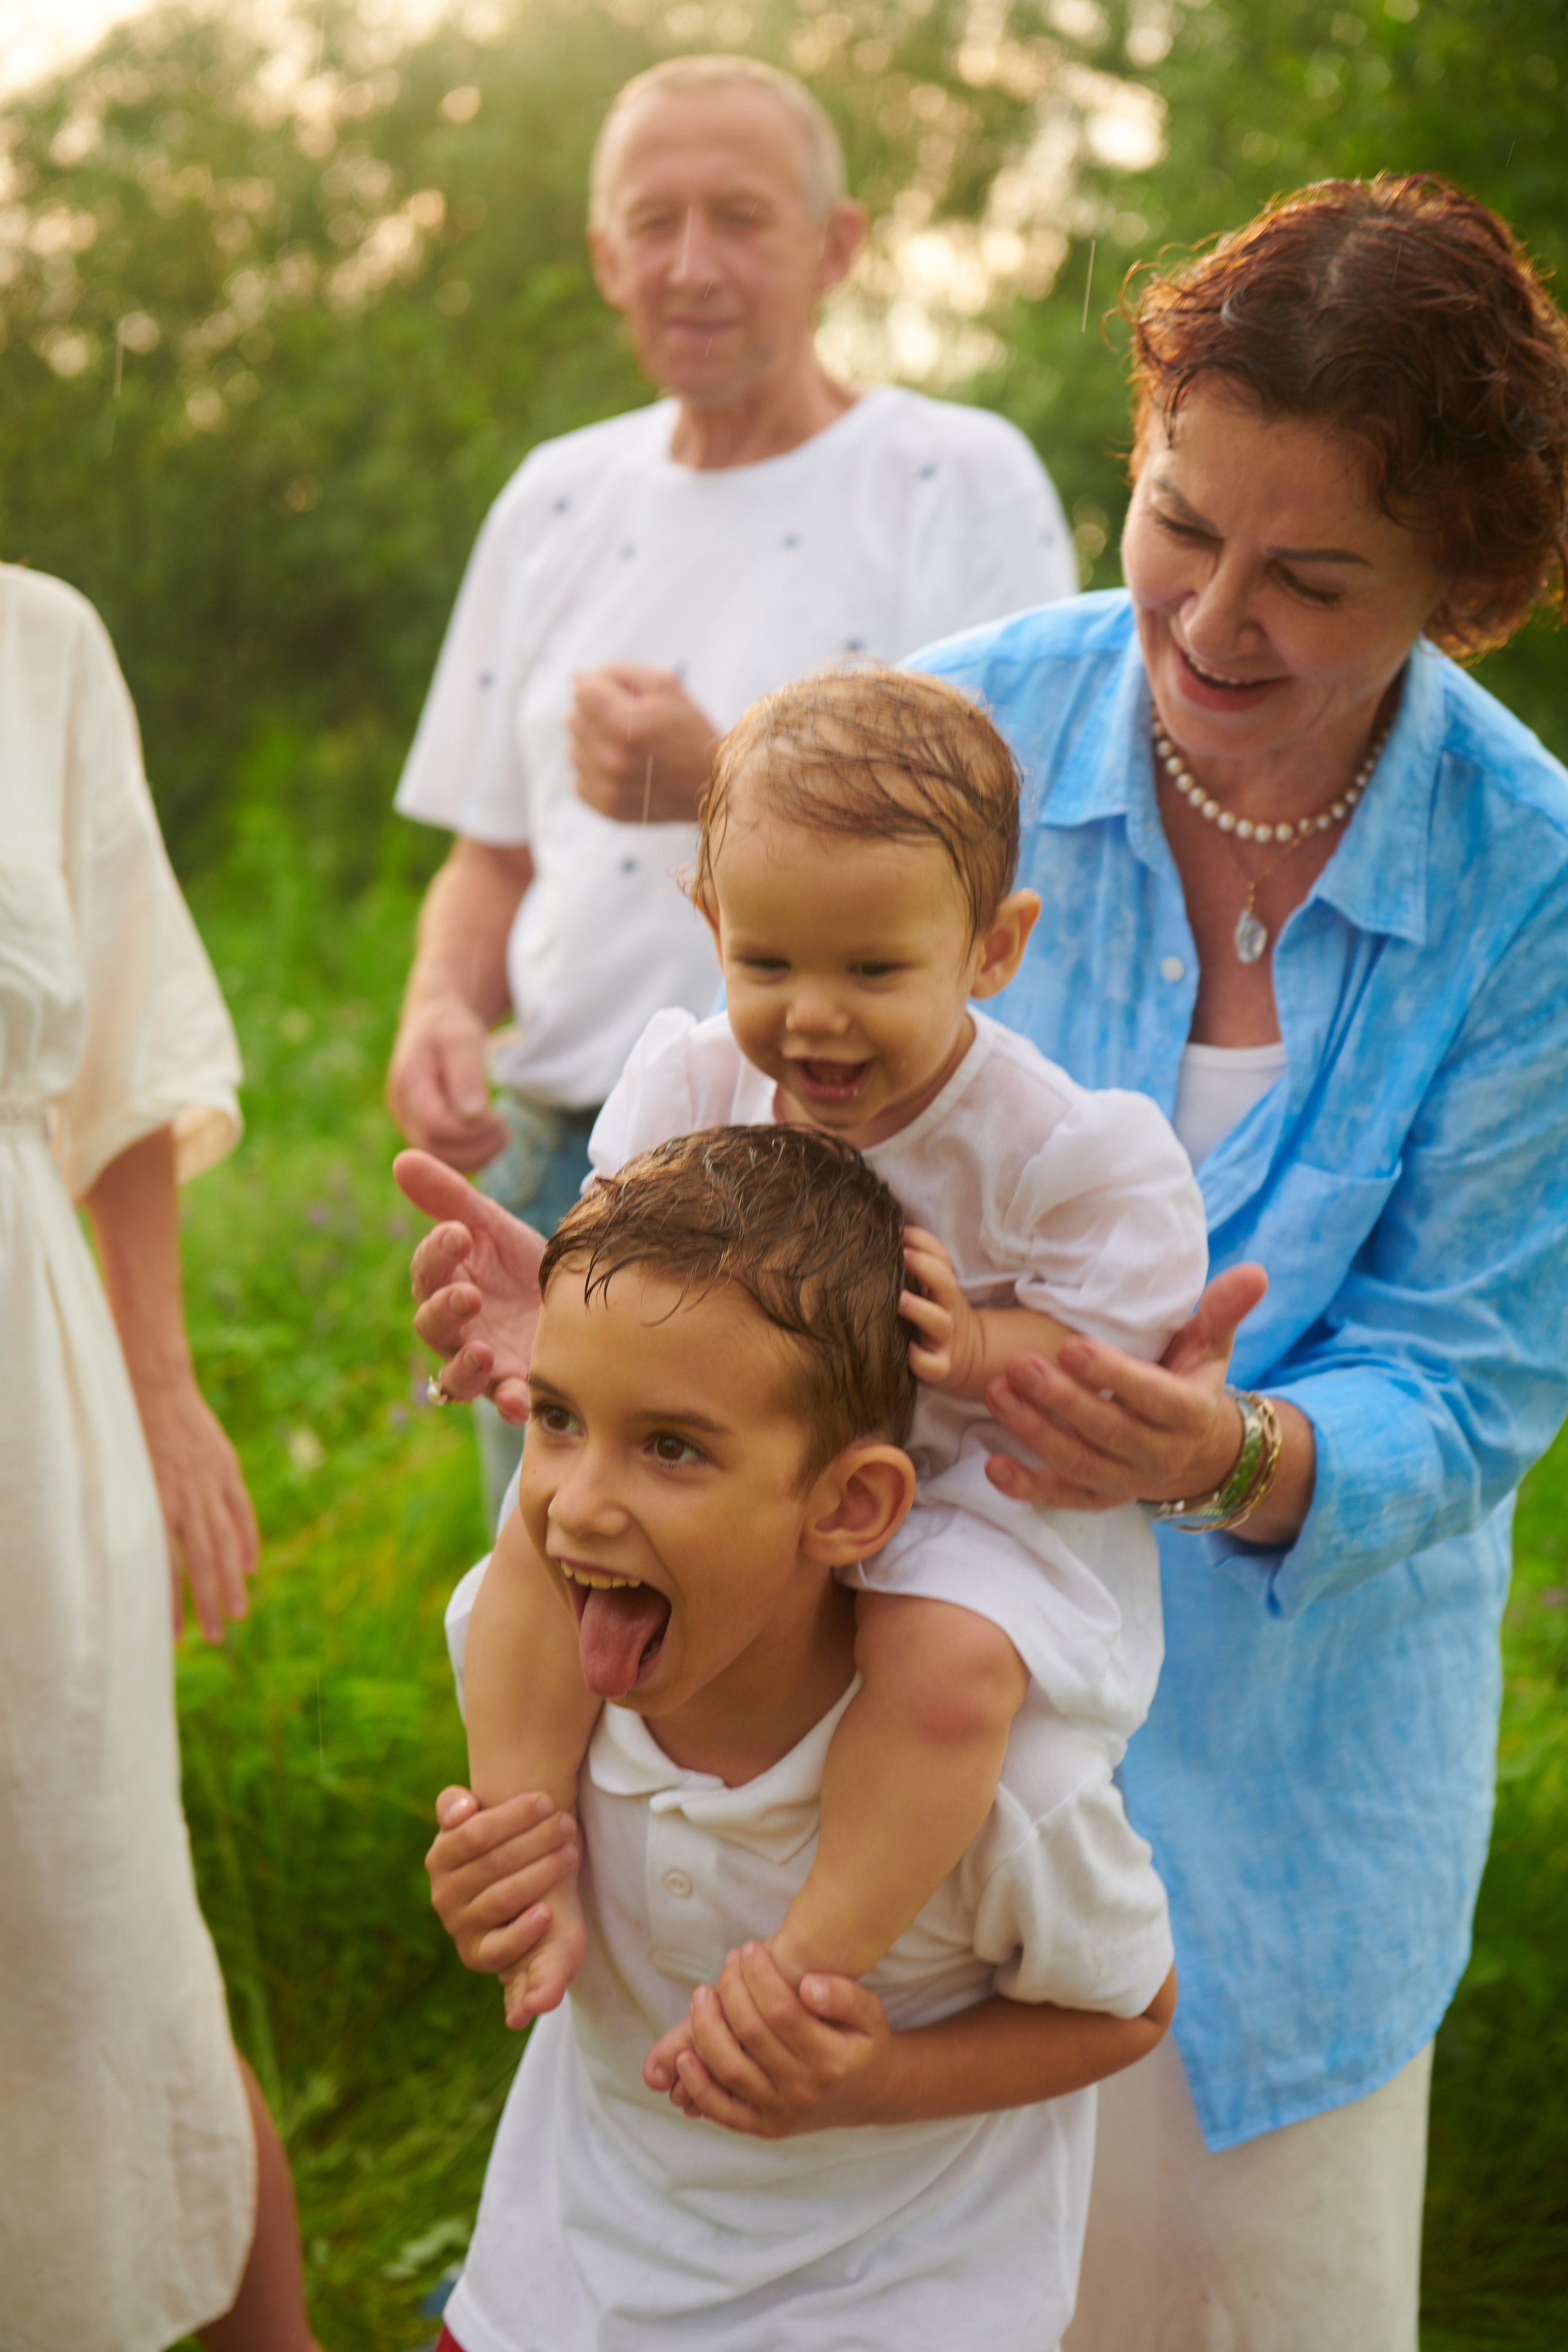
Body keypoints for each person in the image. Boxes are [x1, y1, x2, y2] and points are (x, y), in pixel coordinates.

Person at [403, 175, 1568, 2347]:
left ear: (1468, 589)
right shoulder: (962, 736)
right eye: (1175, 525)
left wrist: (1219, 1446)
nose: (1211, 620)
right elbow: (734, 1117)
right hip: (829, 1715)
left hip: (1275, 1770)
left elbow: (1477, 1376)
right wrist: (562, 1311)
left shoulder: (1532, 887)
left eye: (1313, 577)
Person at [451, 668, 1207, 2052]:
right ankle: (520, 1831)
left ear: (992, 948)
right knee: (538, 1540)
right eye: (767, 965)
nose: (814, 1019)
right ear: (709, 927)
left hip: (962, 1485)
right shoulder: (689, 1079)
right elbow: (617, 1260)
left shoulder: (1045, 1146)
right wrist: (543, 1319)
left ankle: (808, 1958)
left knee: (945, 1672)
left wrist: (983, 1343)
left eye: (873, 970)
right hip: (731, 1465)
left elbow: (1118, 1339)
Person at [386, 50, 1076, 1520]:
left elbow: (1024, 842)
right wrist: (442, 1004)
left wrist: (722, 784)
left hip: (840, 1163)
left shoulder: (956, 479)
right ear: (601, 255)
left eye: (740, 217)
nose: (689, 264)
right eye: (652, 222)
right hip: (562, 1152)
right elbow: (488, 854)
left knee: (810, 1625)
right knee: (566, 1585)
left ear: (838, 244)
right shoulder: (553, 497)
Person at [424, 1125, 1177, 2352]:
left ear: (847, 1505)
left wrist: (871, 2087)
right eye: (556, 1419)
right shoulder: (539, 1682)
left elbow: (1129, 2010)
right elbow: (532, 1901)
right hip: (554, 2291)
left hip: (882, 2310)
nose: (576, 1498)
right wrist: (496, 1892)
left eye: (670, 1446)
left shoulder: (997, 1792)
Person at [0, 565, 318, 2350]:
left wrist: (162, 1376)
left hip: (17, 1420)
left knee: (87, 1938)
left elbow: (121, 1046)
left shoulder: (35, 647)